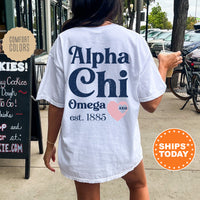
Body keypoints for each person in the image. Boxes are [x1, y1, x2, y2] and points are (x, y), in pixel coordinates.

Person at [36, 0, 183, 199]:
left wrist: (50, 144)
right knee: (138, 185)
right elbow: (152, 103)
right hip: (121, 142)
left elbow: (57, 104)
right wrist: (163, 66)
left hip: (82, 145)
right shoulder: (133, 40)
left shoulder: (64, 41)